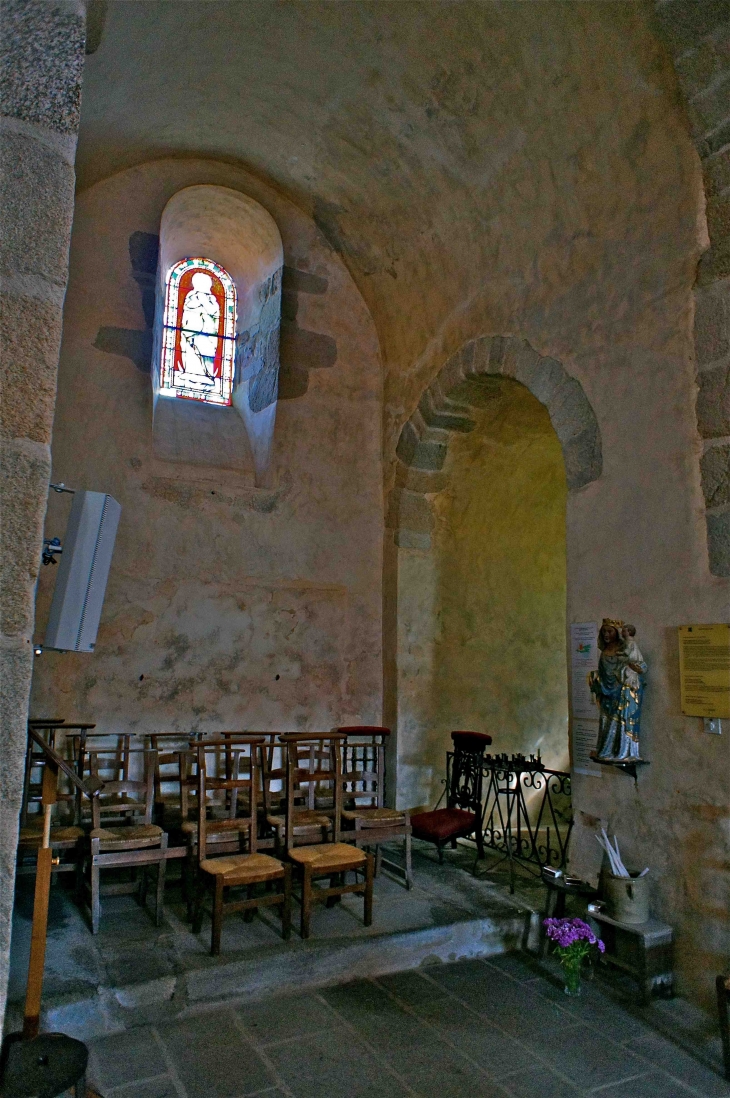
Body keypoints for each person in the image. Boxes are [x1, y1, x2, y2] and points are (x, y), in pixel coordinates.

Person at [589, 618, 647, 761]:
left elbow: (642, 666)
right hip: (607, 693)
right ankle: (606, 751)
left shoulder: (627, 647)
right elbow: (604, 672)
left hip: (623, 692)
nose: (606, 635)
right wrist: (595, 676)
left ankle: (624, 752)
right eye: (603, 632)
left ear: (617, 633)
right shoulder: (604, 652)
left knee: (622, 721)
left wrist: (636, 669)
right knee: (607, 722)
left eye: (609, 631)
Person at [176, 272, 220, 392]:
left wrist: (204, 300)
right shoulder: (191, 296)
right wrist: (199, 300)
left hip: (207, 332)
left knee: (207, 352)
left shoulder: (211, 299)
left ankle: (207, 375)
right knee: (191, 353)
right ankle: (191, 374)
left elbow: (213, 311)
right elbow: (188, 307)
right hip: (192, 330)